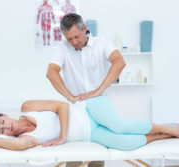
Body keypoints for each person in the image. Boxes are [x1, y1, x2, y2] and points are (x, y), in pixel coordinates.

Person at [46, 13, 126, 167]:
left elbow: (119, 62)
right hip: (76, 110)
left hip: (99, 108)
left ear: (84, 28)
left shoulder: (102, 43)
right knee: (73, 159)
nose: (74, 42)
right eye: (69, 39)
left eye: (77, 37)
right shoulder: (62, 48)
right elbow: (51, 72)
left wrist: (99, 90)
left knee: (96, 159)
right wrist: (70, 97)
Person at [0, 96, 179, 152]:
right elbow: (18, 146)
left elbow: (62, 106)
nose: (6, 127)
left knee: (121, 126)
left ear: (5, 115)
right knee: (127, 144)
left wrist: (62, 138)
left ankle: (164, 127)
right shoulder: (27, 139)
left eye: (2, 122)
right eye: (1, 130)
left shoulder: (27, 107)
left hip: (89, 109)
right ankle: (163, 136)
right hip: (91, 133)